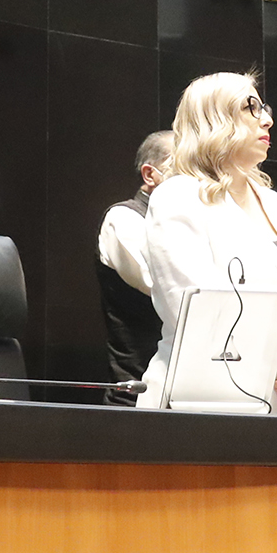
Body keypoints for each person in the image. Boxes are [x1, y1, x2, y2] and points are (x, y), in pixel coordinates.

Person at [139, 72, 277, 411]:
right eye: (251, 108)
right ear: (212, 120)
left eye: (264, 108)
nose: (267, 120)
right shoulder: (176, 197)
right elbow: (199, 312)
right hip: (204, 403)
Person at [97, 130, 172, 403]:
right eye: (183, 170)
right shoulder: (123, 219)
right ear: (150, 175)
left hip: (184, 396)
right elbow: (169, 287)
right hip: (136, 398)